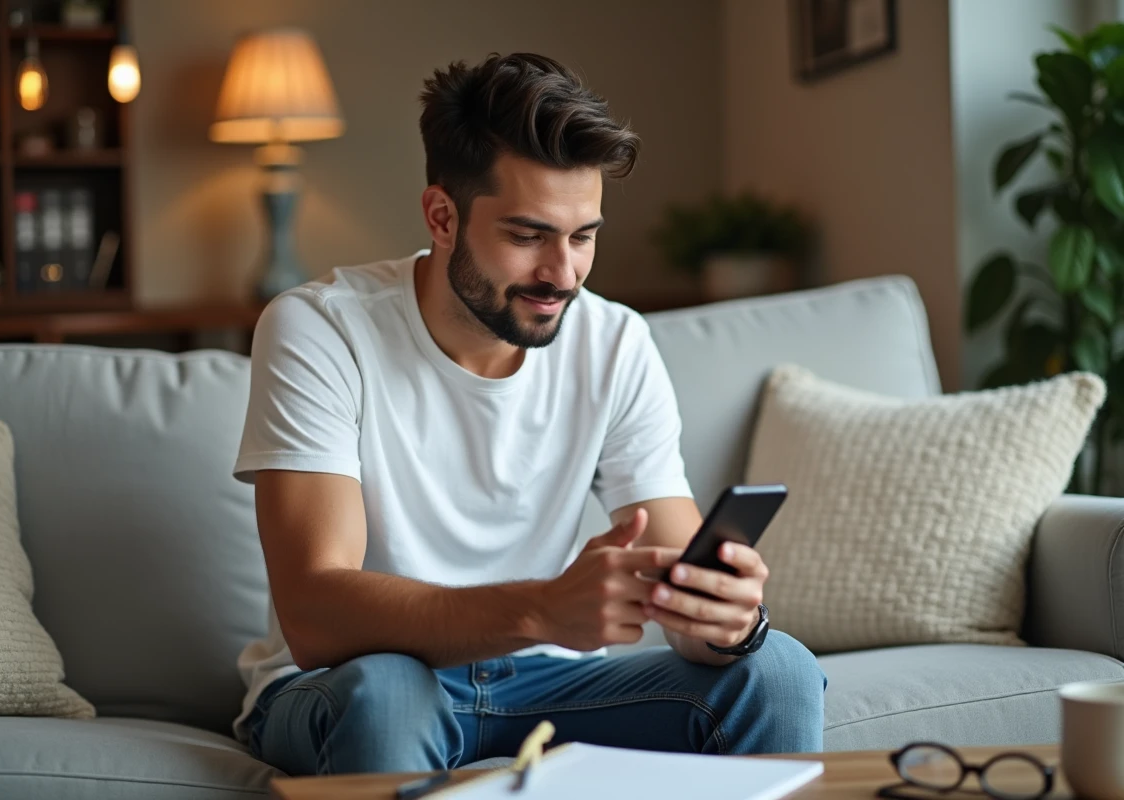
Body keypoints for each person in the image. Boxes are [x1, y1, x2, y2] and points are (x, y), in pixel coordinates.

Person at [231, 51, 826, 776]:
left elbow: (680, 582)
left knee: (777, 668)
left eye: (583, 236)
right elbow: (316, 616)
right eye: (528, 236)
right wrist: (542, 609)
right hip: (353, 682)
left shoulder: (614, 343)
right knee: (389, 693)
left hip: (547, 685)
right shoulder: (321, 329)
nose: (564, 274)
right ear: (442, 216)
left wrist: (727, 620)